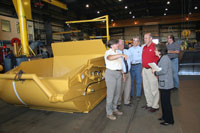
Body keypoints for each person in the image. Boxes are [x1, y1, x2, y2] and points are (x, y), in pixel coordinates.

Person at [104, 39, 128, 120]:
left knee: (118, 93)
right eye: (116, 43)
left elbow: (119, 64)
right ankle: (109, 112)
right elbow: (109, 58)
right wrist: (121, 55)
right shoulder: (108, 52)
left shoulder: (117, 52)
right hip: (111, 74)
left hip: (118, 74)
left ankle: (114, 109)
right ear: (111, 45)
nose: (118, 44)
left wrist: (123, 74)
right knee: (111, 94)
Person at [153, 43, 174, 126]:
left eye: (155, 50)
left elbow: (163, 71)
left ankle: (169, 120)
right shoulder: (162, 58)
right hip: (163, 84)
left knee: (166, 103)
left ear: (159, 51)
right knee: (163, 102)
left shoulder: (164, 59)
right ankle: (165, 116)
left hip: (166, 85)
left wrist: (155, 72)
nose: (154, 51)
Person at [142, 33, 159, 112]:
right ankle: (149, 104)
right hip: (145, 70)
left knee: (154, 88)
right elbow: (144, 59)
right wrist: (142, 69)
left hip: (152, 70)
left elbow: (159, 58)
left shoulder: (155, 46)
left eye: (146, 38)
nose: (145, 39)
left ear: (150, 38)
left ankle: (155, 106)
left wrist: (156, 70)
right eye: (144, 38)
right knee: (146, 88)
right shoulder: (144, 47)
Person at [117, 39, 132, 108]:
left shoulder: (127, 51)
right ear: (117, 45)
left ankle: (127, 101)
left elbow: (130, 60)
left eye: (122, 44)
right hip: (121, 73)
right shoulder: (116, 53)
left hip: (128, 72)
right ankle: (118, 103)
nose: (121, 45)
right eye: (120, 44)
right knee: (120, 89)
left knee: (128, 88)